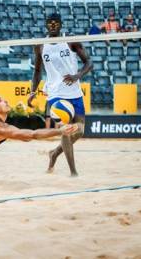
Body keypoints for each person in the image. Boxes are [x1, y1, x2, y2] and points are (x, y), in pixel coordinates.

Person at [27, 13, 93, 177]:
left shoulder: (70, 41)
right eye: (50, 23)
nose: (53, 25)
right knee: (66, 130)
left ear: (61, 25)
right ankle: (73, 172)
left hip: (74, 92)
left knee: (79, 131)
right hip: (55, 93)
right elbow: (37, 72)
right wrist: (33, 92)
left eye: (56, 22)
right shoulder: (41, 46)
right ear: (46, 25)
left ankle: (55, 153)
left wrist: (78, 76)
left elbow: (89, 63)